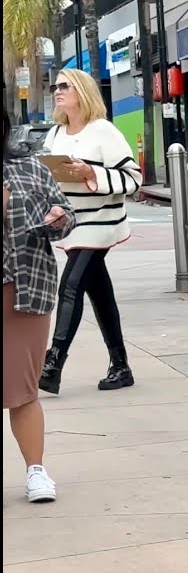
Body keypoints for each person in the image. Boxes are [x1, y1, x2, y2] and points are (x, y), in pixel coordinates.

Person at [38, 69, 142, 395]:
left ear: (82, 91)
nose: (58, 91)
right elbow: (47, 181)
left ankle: (53, 362)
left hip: (100, 223)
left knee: (70, 285)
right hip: (72, 224)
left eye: (65, 86)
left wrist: (90, 172)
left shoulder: (103, 132)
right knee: (99, 292)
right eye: (56, 86)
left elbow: (133, 178)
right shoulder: (55, 134)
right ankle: (121, 365)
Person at [4, 104, 75, 502]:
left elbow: (67, 214)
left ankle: (36, 472)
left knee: (23, 387)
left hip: (25, 288)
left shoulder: (30, 168)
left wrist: (59, 217)